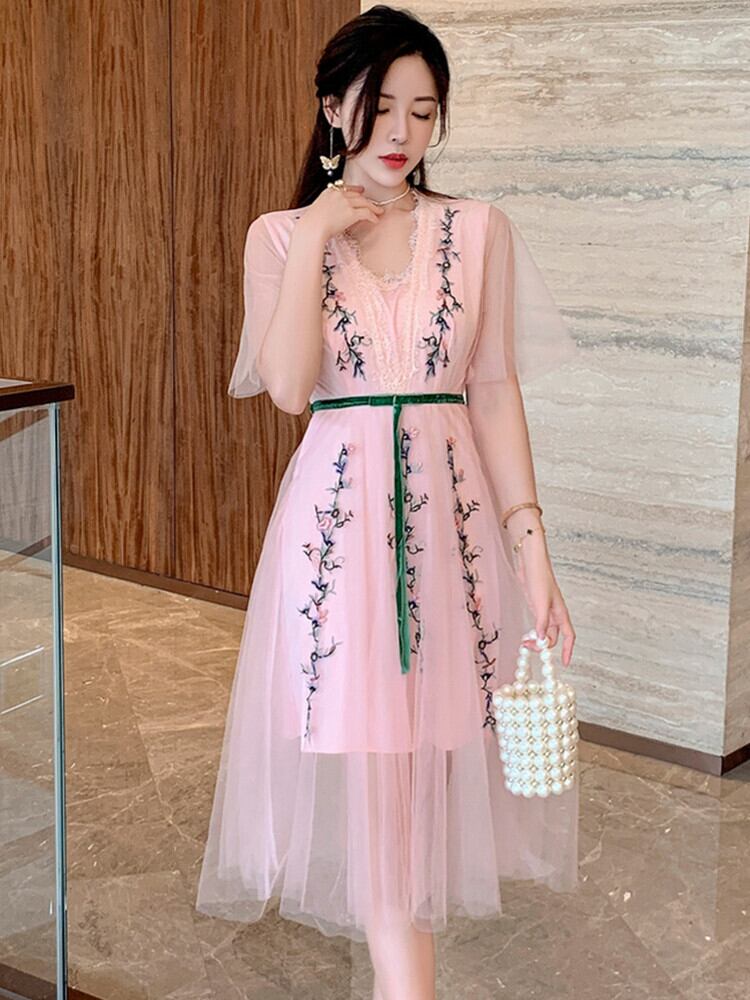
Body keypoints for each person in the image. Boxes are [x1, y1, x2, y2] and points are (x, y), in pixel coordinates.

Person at [196, 6, 579, 999]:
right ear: (334, 109)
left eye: (423, 110)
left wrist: (533, 551)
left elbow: (492, 390)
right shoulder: (279, 237)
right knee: (380, 786)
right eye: (381, 107)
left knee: (423, 783)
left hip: (451, 537)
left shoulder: (477, 230)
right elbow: (289, 388)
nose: (402, 132)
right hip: (340, 538)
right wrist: (319, 232)